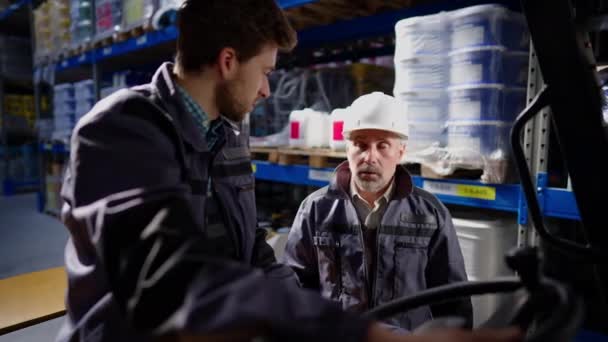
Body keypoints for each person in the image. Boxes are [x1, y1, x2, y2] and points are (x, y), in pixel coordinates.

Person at [55, 1, 519, 341]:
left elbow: (251, 252)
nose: (266, 89)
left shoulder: (230, 134)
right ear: (228, 61)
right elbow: (166, 281)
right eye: (265, 70)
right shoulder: (119, 131)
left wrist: (334, 326)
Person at [284, 92, 473, 331]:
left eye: (382, 146)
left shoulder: (430, 214)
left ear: (401, 153)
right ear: (347, 148)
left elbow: (453, 300)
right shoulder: (315, 210)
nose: (369, 157)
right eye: (360, 144)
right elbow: (295, 290)